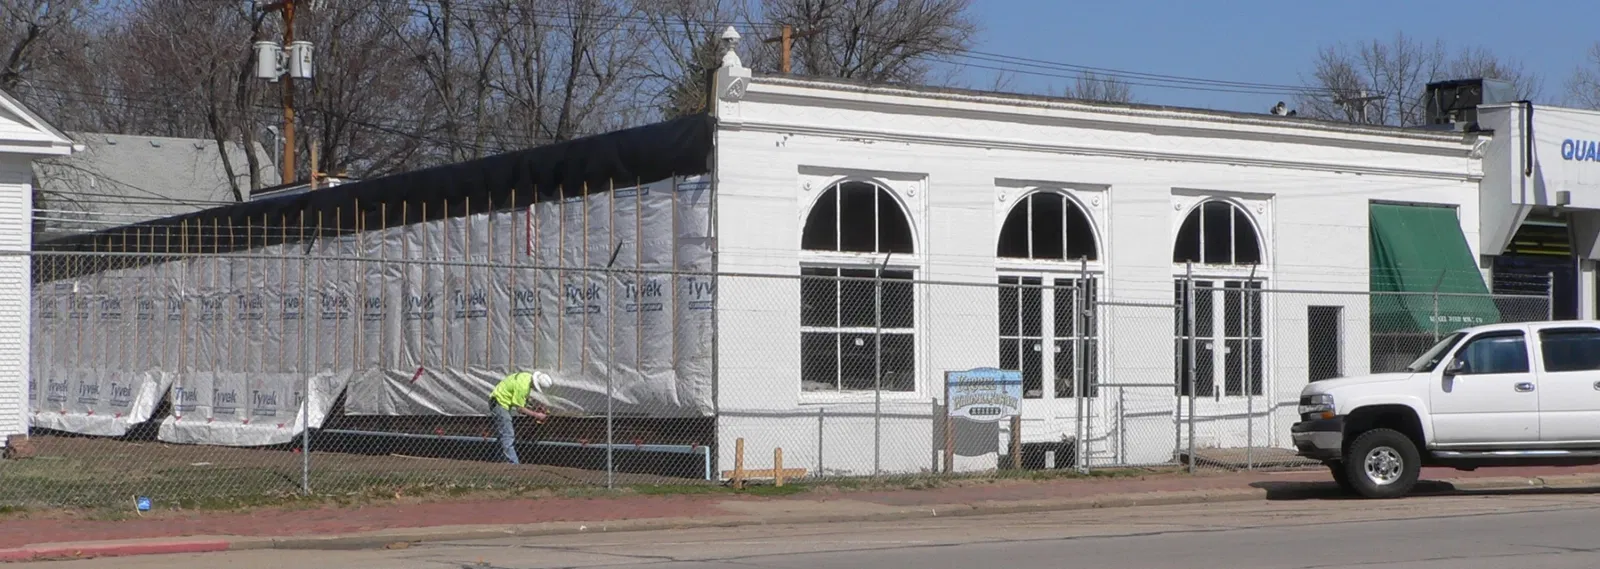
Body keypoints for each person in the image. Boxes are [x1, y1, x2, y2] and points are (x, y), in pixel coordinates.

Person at [489, 370, 551, 464]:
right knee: (508, 435)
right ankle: (513, 464)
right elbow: (520, 409)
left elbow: (521, 399)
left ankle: (500, 461)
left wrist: (533, 407)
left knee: (503, 436)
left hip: (499, 401)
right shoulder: (523, 387)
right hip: (500, 403)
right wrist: (536, 415)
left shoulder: (525, 377)